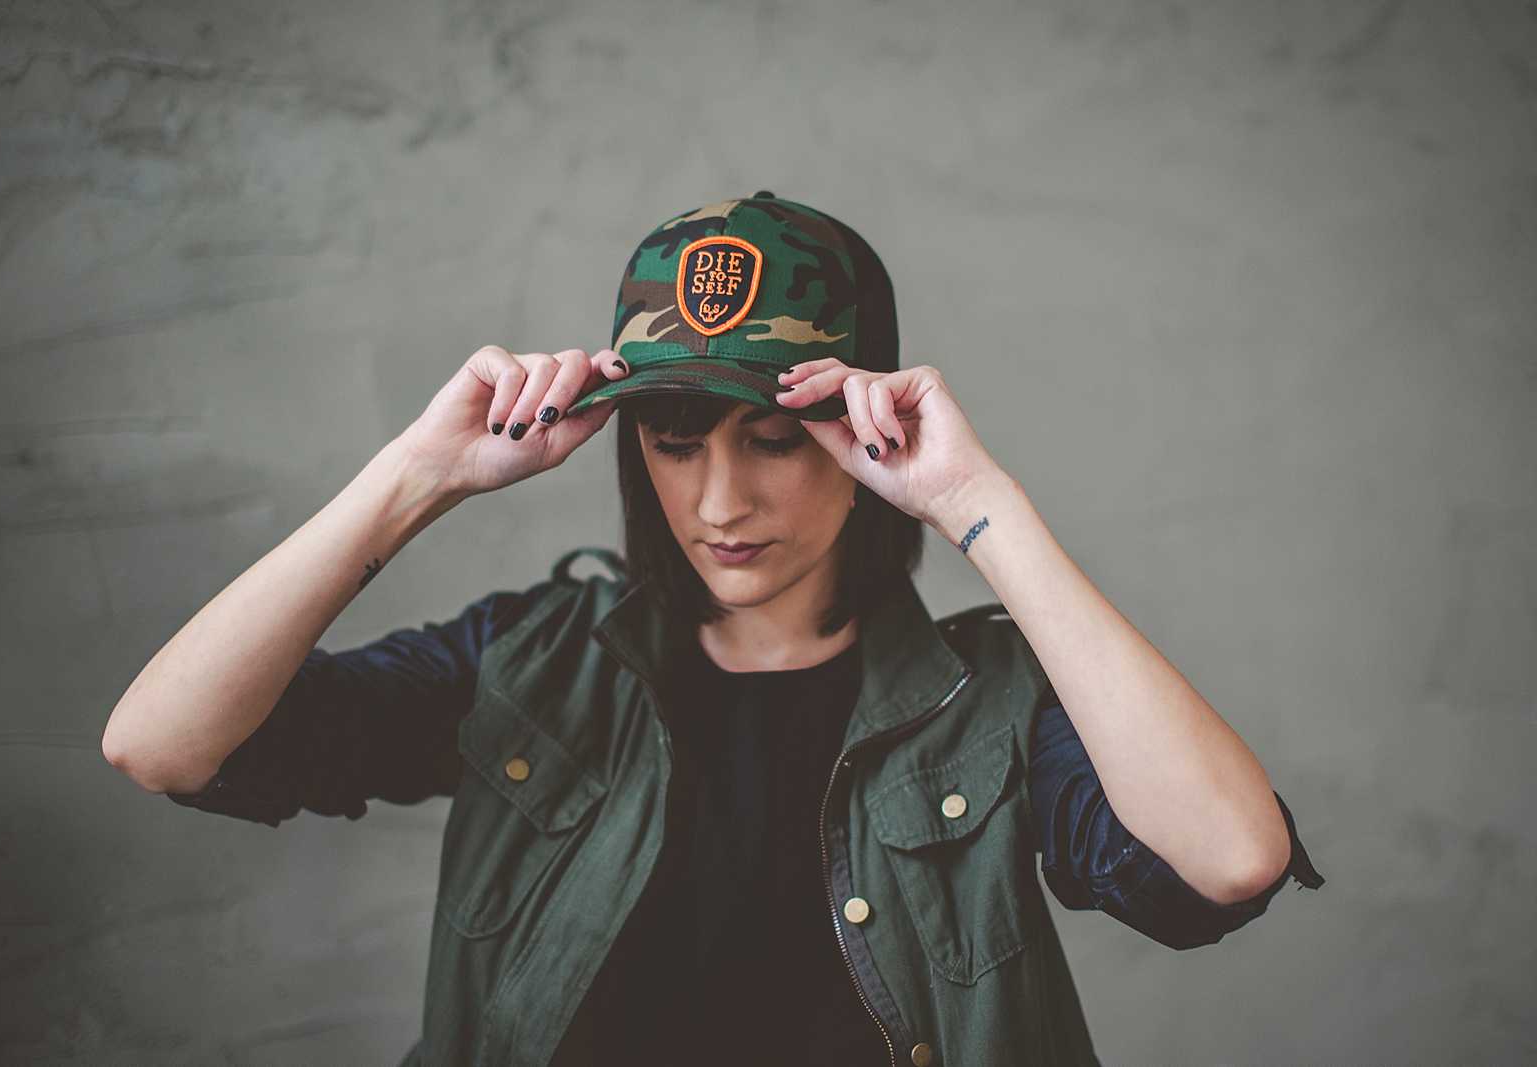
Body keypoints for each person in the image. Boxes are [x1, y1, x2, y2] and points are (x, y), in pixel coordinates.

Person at [103, 191, 1325, 1067]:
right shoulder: (529, 663)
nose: (719, 501)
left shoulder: (989, 701)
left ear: (865, 432)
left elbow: (1227, 858)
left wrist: (974, 502)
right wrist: (415, 476)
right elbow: (163, 744)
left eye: (774, 440)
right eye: (674, 441)